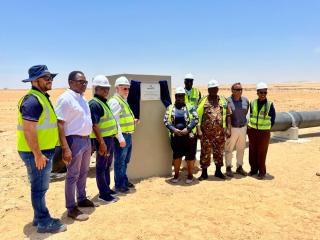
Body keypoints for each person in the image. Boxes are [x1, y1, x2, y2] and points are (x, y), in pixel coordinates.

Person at [17, 65, 66, 233]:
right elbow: (29, 130)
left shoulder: (42, 97)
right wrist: (37, 154)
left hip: (42, 152)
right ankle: (44, 222)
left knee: (40, 186)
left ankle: (38, 218)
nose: (50, 80)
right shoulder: (32, 101)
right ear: (35, 81)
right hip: (36, 153)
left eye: (50, 77)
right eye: (46, 77)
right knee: (39, 188)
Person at [56, 71, 95, 221]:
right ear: (71, 82)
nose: (84, 84)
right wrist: (65, 148)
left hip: (85, 140)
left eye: (85, 82)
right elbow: (60, 124)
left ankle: (81, 198)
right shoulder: (65, 99)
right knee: (72, 175)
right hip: (73, 141)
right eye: (80, 81)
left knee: (84, 171)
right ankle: (71, 207)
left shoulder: (82, 99)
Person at [89, 75, 118, 203]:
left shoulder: (103, 102)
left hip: (109, 139)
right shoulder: (94, 104)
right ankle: (103, 194)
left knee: (107, 166)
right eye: (103, 88)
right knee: (101, 167)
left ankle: (107, 189)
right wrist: (101, 143)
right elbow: (94, 125)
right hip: (103, 140)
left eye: (107, 88)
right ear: (96, 89)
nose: (106, 91)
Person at [197, 79, 231, 180]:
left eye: (215, 88)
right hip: (206, 133)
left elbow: (228, 115)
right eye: (211, 89)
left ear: (217, 89)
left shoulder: (223, 100)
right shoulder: (203, 100)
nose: (213, 90)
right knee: (205, 153)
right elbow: (197, 116)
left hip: (220, 133)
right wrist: (198, 130)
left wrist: (229, 128)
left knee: (219, 152)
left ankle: (218, 171)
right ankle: (204, 173)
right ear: (208, 89)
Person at [164, 87, 199, 184]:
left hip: (189, 137)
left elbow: (196, 119)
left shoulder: (190, 107)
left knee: (190, 156)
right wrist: (174, 130)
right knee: (177, 156)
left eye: (182, 96)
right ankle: (176, 175)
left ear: (184, 97)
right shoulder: (170, 108)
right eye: (178, 96)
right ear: (175, 96)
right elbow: (166, 121)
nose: (180, 98)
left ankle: (190, 175)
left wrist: (187, 129)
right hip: (176, 137)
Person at [108, 76, 136, 193]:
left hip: (128, 135)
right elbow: (115, 122)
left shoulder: (123, 100)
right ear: (117, 89)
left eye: (128, 89)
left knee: (125, 161)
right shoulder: (115, 101)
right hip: (122, 137)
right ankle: (119, 185)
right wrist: (120, 138)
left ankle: (124, 180)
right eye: (124, 88)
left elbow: (123, 118)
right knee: (120, 162)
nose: (127, 91)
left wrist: (133, 121)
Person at [247, 82, 276, 179]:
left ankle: (262, 172)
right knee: (252, 151)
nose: (263, 94)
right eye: (261, 92)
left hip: (264, 132)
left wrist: (266, 128)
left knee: (262, 152)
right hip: (253, 131)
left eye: (265, 92)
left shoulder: (269, 104)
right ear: (257, 93)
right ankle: (253, 170)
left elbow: (273, 119)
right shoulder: (253, 103)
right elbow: (250, 115)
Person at [224, 82, 249, 177]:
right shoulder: (228, 101)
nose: (240, 91)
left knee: (241, 149)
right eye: (237, 90)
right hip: (232, 128)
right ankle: (228, 168)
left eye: (241, 89)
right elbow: (226, 116)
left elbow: (245, 112)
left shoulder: (245, 100)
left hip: (243, 128)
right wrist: (228, 129)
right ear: (232, 91)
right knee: (229, 149)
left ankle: (239, 167)